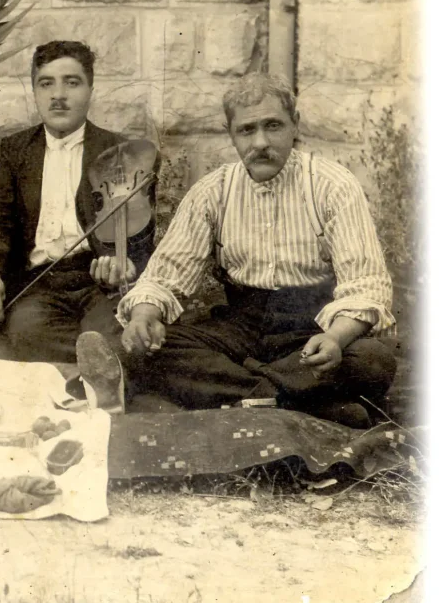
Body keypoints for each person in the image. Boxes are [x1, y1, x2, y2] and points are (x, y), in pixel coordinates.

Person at [100, 73, 396, 428]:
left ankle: (239, 395)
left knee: (373, 360)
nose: (260, 142)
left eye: (273, 126)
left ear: (294, 126)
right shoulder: (212, 192)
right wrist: (144, 316)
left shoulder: (333, 186)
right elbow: (166, 275)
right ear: (231, 134)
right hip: (240, 327)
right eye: (246, 130)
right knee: (135, 349)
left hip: (311, 327)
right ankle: (299, 404)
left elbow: (366, 285)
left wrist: (334, 338)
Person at [0, 40, 158, 408]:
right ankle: (97, 383)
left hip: (99, 283)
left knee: (113, 333)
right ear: (35, 90)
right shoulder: (14, 150)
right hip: (42, 284)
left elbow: (138, 230)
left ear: (90, 89)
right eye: (46, 83)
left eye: (72, 83)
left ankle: (78, 382)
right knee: (25, 331)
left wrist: (124, 263)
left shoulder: (119, 150)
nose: (58, 95)